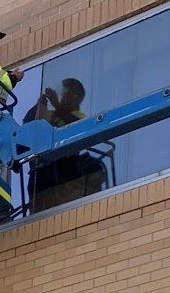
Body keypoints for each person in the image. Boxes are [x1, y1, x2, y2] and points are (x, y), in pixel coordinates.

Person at [23, 77, 108, 213]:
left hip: (65, 166)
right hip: (42, 170)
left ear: (75, 97)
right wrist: (38, 106)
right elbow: (30, 129)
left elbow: (75, 127)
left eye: (65, 93)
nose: (62, 96)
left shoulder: (79, 116)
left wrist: (56, 104)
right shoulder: (50, 114)